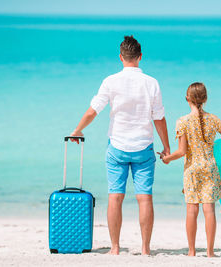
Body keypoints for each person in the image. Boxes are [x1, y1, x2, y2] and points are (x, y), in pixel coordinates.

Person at [70, 35, 170, 255]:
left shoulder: (111, 81)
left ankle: (115, 248)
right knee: (145, 197)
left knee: (115, 196)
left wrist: (77, 130)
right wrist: (167, 147)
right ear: (140, 57)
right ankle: (145, 249)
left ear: (121, 57)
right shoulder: (152, 83)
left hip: (117, 147)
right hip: (144, 147)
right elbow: (159, 118)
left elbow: (92, 110)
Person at [159, 82, 221, 257]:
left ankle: (192, 251)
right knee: (209, 210)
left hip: (192, 170)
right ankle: (210, 252)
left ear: (187, 99)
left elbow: (181, 151)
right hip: (210, 168)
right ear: (206, 99)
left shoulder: (182, 121)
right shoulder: (214, 120)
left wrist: (167, 159)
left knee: (192, 210)